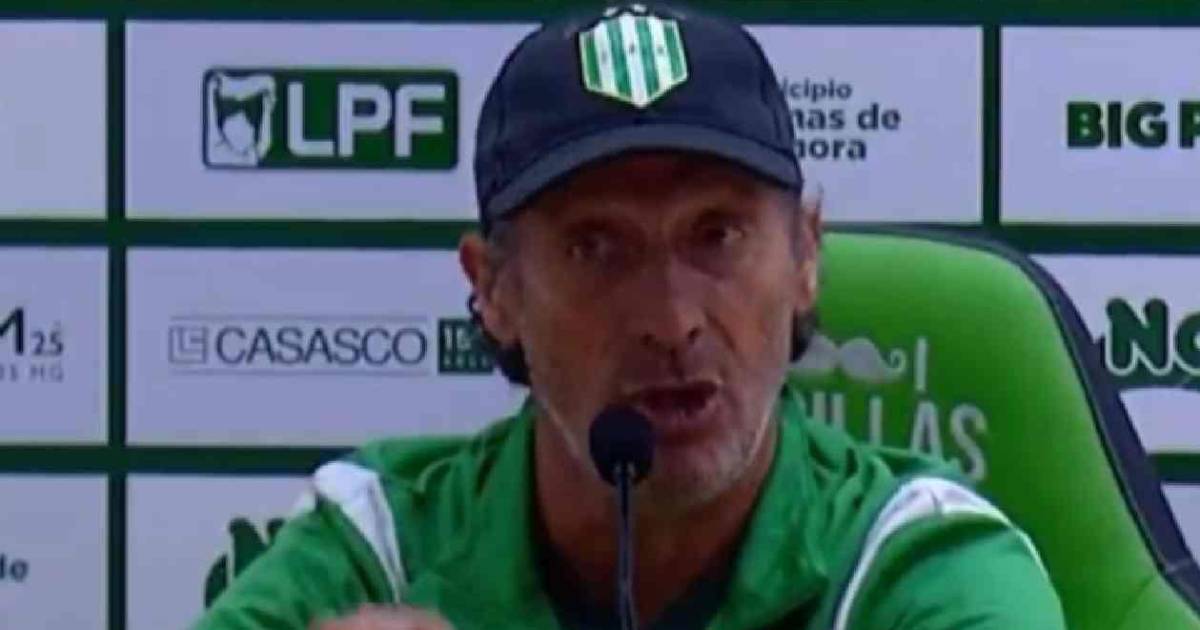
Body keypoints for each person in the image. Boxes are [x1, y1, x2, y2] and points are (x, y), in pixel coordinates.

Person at [194, 4, 1066, 629]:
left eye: (717, 236)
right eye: (597, 248)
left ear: (805, 256)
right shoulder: (380, 546)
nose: (672, 320)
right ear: (495, 290)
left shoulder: (921, 563)